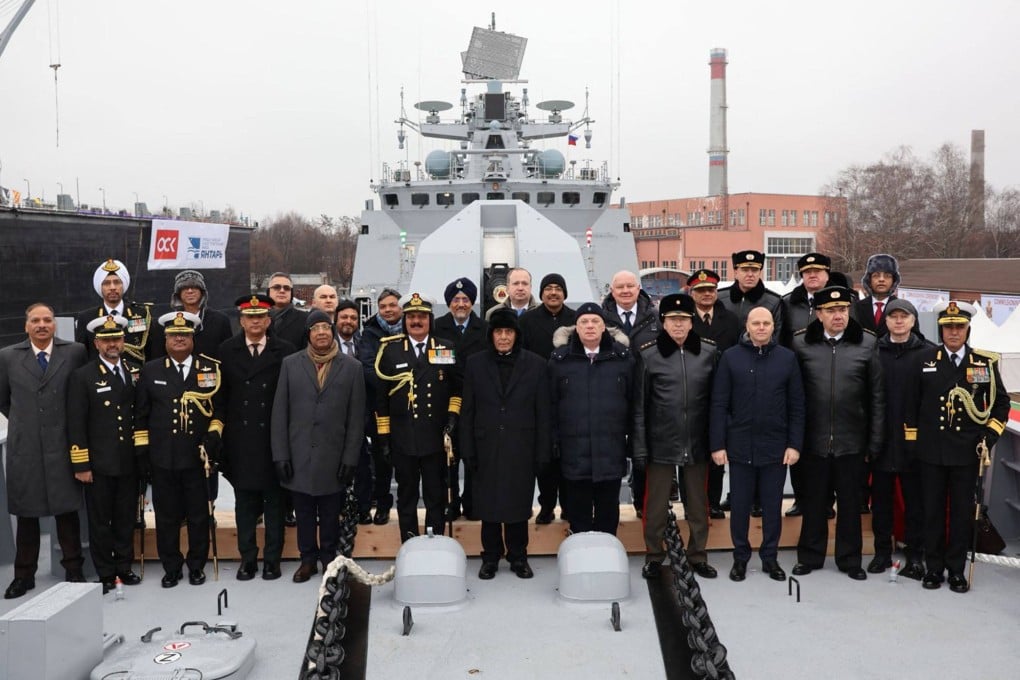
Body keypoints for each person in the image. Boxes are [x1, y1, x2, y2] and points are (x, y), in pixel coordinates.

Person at [904, 301, 1009, 593]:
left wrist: (990, 435)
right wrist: (913, 443)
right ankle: (934, 568)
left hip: (967, 452)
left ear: (967, 329)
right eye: (948, 327)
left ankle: (956, 570)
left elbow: (1000, 405)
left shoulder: (984, 363)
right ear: (940, 330)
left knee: (963, 514)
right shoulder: (924, 361)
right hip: (931, 451)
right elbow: (911, 404)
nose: (953, 332)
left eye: (959, 327)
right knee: (933, 511)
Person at [790, 286, 884, 581]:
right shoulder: (801, 344)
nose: (838, 315)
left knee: (849, 504)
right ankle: (810, 556)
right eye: (830, 311)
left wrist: (874, 441)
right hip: (813, 441)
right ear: (819, 314)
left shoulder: (868, 344)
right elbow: (794, 395)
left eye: (842, 310)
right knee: (814, 502)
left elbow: (877, 398)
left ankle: (849, 559)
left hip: (852, 441)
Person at [710, 307, 804, 582]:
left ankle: (770, 558)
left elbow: (797, 405)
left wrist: (794, 444)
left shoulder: (787, 359)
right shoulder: (730, 358)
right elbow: (719, 404)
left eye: (766, 323)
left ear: (773, 327)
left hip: (776, 447)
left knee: (772, 506)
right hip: (740, 447)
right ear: (747, 326)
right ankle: (740, 558)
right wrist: (718, 445)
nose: (761, 327)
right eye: (756, 323)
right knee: (739, 506)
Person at [1, 303, 88, 599]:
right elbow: (4, 399)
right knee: (27, 513)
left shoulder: (74, 352)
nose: (41, 325)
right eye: (35, 320)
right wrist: (27, 422)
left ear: (54, 325)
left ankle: (73, 569)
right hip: (25, 447)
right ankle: (23, 575)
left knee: (67, 511)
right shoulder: (8, 357)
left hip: (63, 444)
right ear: (26, 326)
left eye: (47, 320)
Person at [272, 310, 365, 583]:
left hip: (333, 456)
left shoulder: (352, 367)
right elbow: (280, 413)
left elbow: (356, 419)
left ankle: (329, 560)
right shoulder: (290, 364)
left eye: (326, 327)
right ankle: (307, 560)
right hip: (299, 454)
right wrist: (281, 455)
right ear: (309, 333)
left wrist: (350, 459)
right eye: (316, 328)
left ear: (332, 331)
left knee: (329, 513)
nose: (321, 332)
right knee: (302, 513)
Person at [134, 311, 224, 588]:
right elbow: (141, 415)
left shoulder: (209, 369)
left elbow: (219, 410)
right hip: (163, 458)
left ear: (193, 338)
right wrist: (143, 452)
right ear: (166, 339)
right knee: (166, 516)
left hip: (198, 457)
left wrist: (213, 435)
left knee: (199, 516)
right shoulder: (151, 370)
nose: (179, 339)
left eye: (185, 335)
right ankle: (171, 567)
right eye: (174, 335)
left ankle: (196, 565)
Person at [632, 294, 718, 580]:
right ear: (663, 323)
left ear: (691, 322)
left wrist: (716, 442)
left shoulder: (708, 352)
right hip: (661, 441)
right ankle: (655, 555)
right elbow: (640, 407)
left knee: (697, 503)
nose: (678, 325)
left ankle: (697, 555)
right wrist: (641, 447)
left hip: (697, 440)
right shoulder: (648, 354)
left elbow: (717, 402)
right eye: (673, 320)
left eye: (683, 320)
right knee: (655, 505)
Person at [460, 308, 551, 579]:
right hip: (485, 446)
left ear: (516, 335)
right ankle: (490, 556)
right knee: (487, 506)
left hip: (521, 446)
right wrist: (468, 449)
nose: (503, 337)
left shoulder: (536, 364)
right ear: (491, 335)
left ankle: (517, 555)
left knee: (517, 504)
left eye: (508, 332)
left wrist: (542, 451)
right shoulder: (475, 364)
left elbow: (543, 411)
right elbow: (468, 410)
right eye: (498, 332)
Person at [216, 294, 295, 581]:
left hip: (272, 440)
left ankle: (272, 559)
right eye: (250, 317)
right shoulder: (226, 350)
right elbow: (221, 398)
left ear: (268, 320)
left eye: (260, 317)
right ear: (241, 321)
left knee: (275, 505)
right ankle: (248, 558)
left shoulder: (285, 351)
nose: (255, 322)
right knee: (245, 505)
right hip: (241, 440)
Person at [374, 293, 461, 541]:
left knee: (436, 494)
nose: (416, 321)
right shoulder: (390, 351)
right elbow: (382, 399)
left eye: (421, 317)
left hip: (435, 437)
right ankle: (410, 542)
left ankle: (435, 542)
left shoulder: (445, 348)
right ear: (404, 320)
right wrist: (384, 438)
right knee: (407, 495)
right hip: (404, 439)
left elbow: (457, 388)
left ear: (429, 320)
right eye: (411, 316)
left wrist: (453, 417)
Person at [67, 315, 143, 594]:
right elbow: (76, 423)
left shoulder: (133, 371)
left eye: (117, 338)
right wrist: (81, 463)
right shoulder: (83, 376)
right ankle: (106, 573)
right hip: (98, 463)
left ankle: (124, 566)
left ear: (124, 341)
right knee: (100, 522)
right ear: (97, 343)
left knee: (125, 518)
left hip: (127, 462)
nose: (113, 344)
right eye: (107, 339)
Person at [549, 303, 634, 535]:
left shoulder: (623, 359)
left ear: (604, 326)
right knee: (579, 515)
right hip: (574, 454)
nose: (589, 326)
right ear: (575, 327)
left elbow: (633, 403)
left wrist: (631, 443)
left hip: (611, 452)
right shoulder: (559, 361)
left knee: (608, 515)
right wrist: (555, 443)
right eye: (584, 322)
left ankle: (608, 558)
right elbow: (551, 406)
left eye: (595, 321)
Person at [869, 299, 932, 579]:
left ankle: (915, 556)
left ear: (913, 320)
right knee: (880, 502)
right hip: (881, 440)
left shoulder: (929, 354)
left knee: (915, 504)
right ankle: (882, 553)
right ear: (886, 321)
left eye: (903, 316)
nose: (898, 321)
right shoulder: (873, 352)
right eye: (893, 316)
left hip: (914, 443)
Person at [519, 273, 576, 524]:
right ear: (541, 293)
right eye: (548, 288)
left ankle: (568, 505)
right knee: (543, 457)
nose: (553, 293)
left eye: (558, 288)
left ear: (565, 293)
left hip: (571, 396)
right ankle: (546, 505)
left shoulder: (576, 320)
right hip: (538, 396)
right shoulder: (528, 320)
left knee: (569, 456)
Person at [688, 268, 741, 519]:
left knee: (718, 450)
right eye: (701, 291)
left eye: (710, 290)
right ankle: (691, 504)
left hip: (723, 392)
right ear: (692, 293)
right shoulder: (684, 319)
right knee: (691, 454)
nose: (706, 294)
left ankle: (714, 502)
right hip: (691, 392)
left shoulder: (730, 320)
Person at [434, 277, 488, 522]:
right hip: (447, 402)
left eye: (465, 300)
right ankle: (451, 503)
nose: (461, 304)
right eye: (456, 300)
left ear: (472, 302)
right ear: (449, 304)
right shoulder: (437, 328)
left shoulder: (484, 329)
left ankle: (474, 502)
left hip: (478, 402)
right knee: (449, 455)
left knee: (474, 455)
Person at [359, 287, 403, 525]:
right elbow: (368, 367)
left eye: (392, 305)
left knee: (408, 458)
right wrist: (394, 385)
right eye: (383, 306)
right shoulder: (370, 334)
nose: (387, 310)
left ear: (401, 307)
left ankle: (406, 505)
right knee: (381, 458)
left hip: (408, 406)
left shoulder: (413, 327)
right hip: (380, 407)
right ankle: (383, 505)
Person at [335, 298, 374, 524]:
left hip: (360, 415)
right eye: (344, 317)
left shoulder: (364, 344)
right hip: (333, 418)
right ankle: (338, 509)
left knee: (362, 465)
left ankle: (363, 508)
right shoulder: (326, 344)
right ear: (336, 320)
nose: (348, 322)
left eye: (352, 318)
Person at [75, 258, 154, 363]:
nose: (112, 287)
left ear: (123, 285)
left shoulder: (142, 314)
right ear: (100, 287)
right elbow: (82, 356)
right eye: (107, 283)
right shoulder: (87, 318)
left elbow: (151, 351)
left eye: (117, 282)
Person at [160, 270, 234, 360]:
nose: (190, 291)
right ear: (178, 294)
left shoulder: (220, 320)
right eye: (185, 288)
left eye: (194, 287)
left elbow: (229, 355)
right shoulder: (167, 322)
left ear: (202, 292)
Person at [718, 250, 784, 341]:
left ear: (759, 273)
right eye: (745, 270)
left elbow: (777, 335)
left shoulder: (773, 301)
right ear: (736, 272)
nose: (750, 275)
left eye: (754, 270)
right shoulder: (720, 298)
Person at [854, 253, 900, 337]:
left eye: (887, 276)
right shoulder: (857, 307)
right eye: (876, 276)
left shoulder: (902, 308)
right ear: (869, 280)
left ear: (894, 280)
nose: (881, 279)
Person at [266, 272, 308, 350]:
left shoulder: (305, 319)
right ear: (268, 292)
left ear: (291, 293)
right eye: (276, 287)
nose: (282, 291)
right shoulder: (258, 318)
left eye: (287, 288)